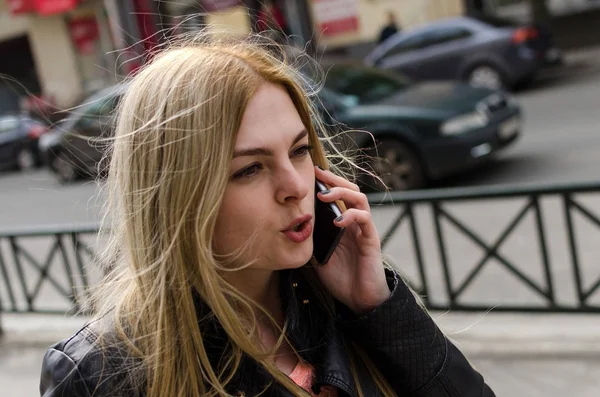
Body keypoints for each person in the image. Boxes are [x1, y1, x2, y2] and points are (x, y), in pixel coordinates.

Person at [39, 32, 495, 397]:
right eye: (250, 168)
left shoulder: (343, 303)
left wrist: (381, 310)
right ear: (179, 196)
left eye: (299, 151)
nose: (296, 186)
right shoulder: (100, 375)